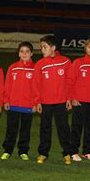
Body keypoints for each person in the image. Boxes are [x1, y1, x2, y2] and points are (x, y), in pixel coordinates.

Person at [33, 35, 73, 164]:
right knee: (45, 128)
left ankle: (67, 152)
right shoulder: (40, 64)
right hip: (46, 102)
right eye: (41, 47)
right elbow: (36, 84)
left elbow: (69, 82)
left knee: (63, 128)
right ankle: (43, 153)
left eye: (45, 47)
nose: (42, 50)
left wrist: (68, 98)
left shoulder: (66, 62)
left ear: (53, 48)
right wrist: (37, 101)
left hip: (61, 101)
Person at [69, 38, 90, 162]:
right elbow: (71, 81)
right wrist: (73, 97)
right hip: (79, 101)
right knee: (77, 127)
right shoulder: (78, 62)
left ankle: (87, 151)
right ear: (85, 48)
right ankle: (73, 151)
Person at [0, 41, 35, 161]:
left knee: (25, 130)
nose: (24, 54)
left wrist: (35, 103)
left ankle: (23, 151)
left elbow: (38, 88)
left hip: (28, 105)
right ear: (18, 53)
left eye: (27, 52)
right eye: (22, 51)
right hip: (13, 104)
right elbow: (7, 86)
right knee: (11, 129)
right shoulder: (13, 67)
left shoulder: (35, 69)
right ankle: (7, 150)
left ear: (32, 54)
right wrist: (6, 100)